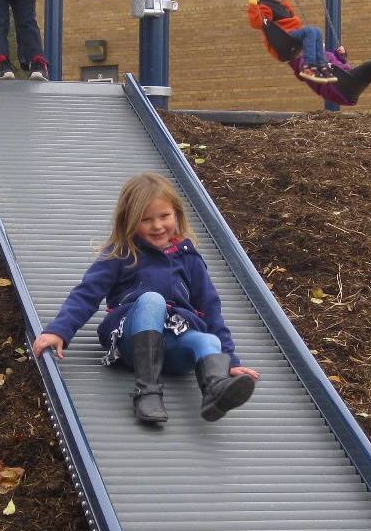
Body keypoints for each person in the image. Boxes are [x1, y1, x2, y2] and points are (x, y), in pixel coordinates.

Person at [32, 173, 259, 426]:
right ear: (129, 221)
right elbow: (87, 293)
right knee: (152, 300)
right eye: (146, 219)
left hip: (173, 346)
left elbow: (210, 309)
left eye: (165, 216)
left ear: (177, 214)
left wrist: (230, 359)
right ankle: (147, 391)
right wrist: (60, 331)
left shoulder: (189, 258)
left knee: (208, 338)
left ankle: (215, 389)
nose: (158, 226)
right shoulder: (121, 254)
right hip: (130, 341)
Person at [247, 0, 336, 83]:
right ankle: (308, 66)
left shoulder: (283, 5)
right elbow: (258, 23)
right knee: (310, 30)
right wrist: (253, 5)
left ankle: (323, 66)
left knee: (316, 30)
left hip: (293, 35)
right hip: (284, 39)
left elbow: (295, 22)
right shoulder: (265, 6)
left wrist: (314, 41)